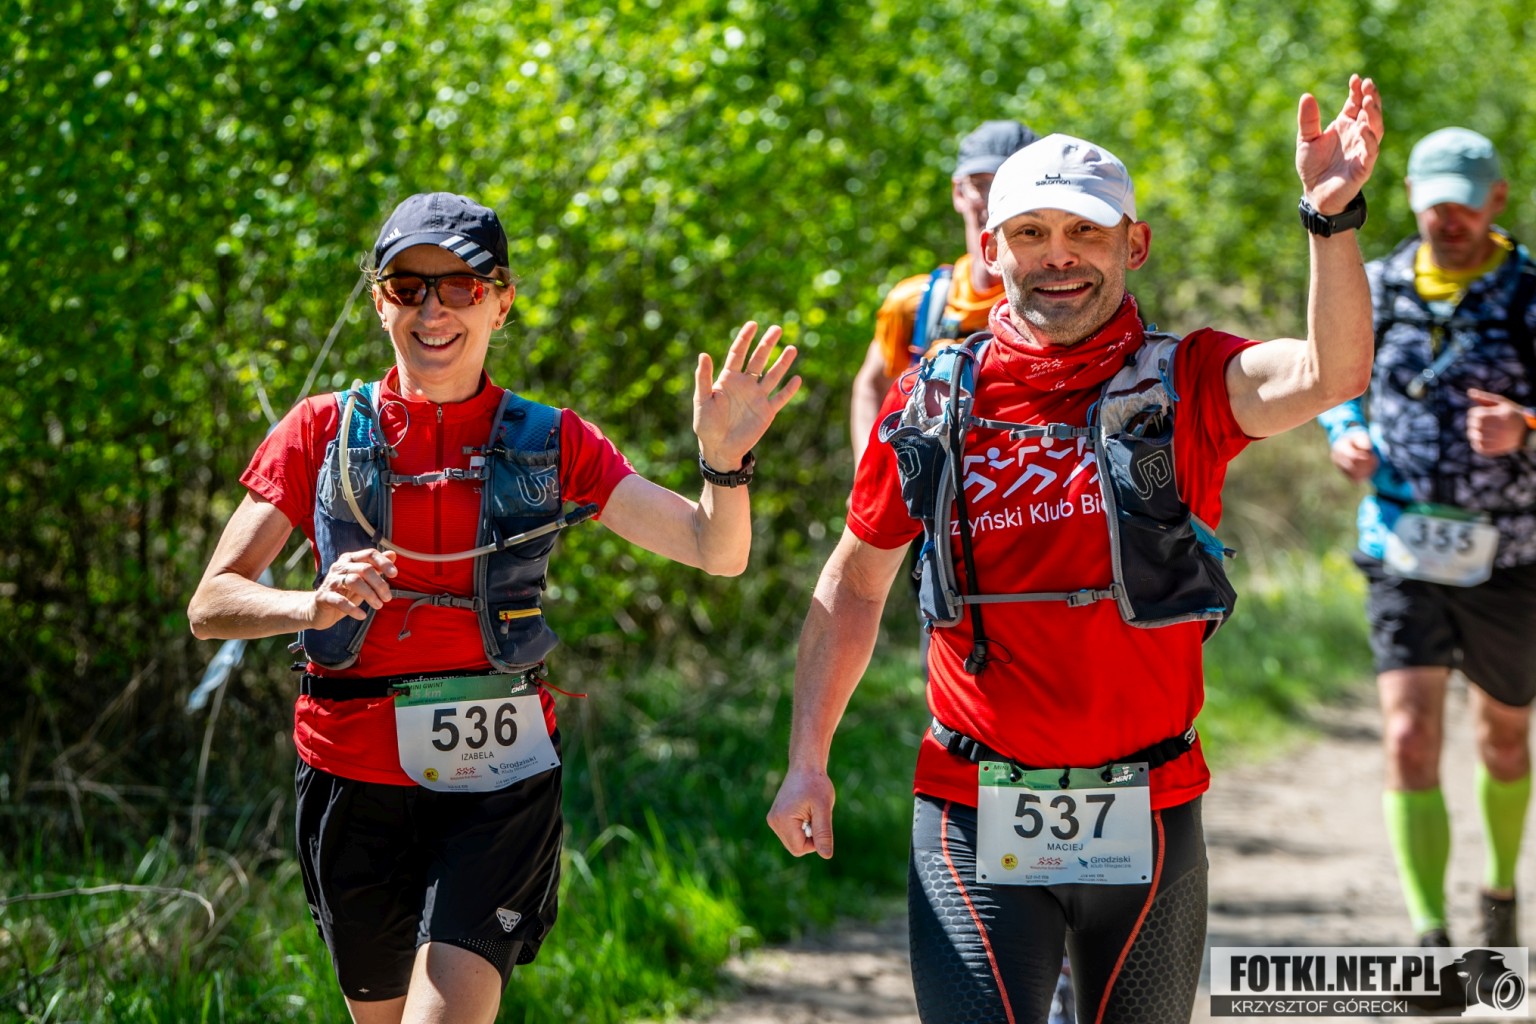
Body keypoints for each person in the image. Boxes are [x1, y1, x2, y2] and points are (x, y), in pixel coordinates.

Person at [768, 75, 1382, 1024]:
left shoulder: (1189, 381)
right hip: (972, 804)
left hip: (1153, 801)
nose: (1058, 257)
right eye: (1031, 233)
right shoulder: (932, 399)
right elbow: (853, 585)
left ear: (1134, 244)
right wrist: (807, 757)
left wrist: (1330, 220)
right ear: (990, 250)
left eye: (1085, 232)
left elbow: (1329, 372)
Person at [187, 192, 800, 1024]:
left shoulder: (552, 440)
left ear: (501, 303)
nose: (433, 309)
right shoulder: (320, 431)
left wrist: (724, 465)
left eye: (461, 287)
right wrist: (312, 601)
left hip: (500, 778)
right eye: (408, 287)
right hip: (350, 772)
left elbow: (713, 549)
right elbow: (212, 603)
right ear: (379, 302)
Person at [1317, 127, 1536, 950]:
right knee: (1409, 736)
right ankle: (1429, 935)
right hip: (1399, 546)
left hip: (1511, 556)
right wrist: (1343, 430)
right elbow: (1336, 379)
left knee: (1504, 739)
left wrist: (1526, 426)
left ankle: (1501, 889)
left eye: (1465, 204)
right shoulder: (1374, 286)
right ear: (1410, 197)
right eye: (1435, 203)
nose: (1449, 218)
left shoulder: (1528, 294)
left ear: (1497, 200)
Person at [850, 120, 1039, 468]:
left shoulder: (1058, 300)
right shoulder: (919, 303)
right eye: (982, 185)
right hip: (934, 498)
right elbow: (871, 385)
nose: (995, 200)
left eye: (1011, 185)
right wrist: (868, 477)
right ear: (958, 193)